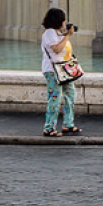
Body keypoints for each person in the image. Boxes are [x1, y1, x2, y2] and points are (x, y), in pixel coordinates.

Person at [40, 8, 80, 136]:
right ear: (59, 20)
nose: (65, 22)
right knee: (54, 98)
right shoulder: (49, 33)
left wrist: (66, 34)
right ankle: (49, 128)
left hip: (64, 69)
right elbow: (57, 49)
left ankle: (68, 124)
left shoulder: (58, 34)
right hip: (52, 70)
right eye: (64, 20)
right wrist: (68, 35)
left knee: (70, 95)